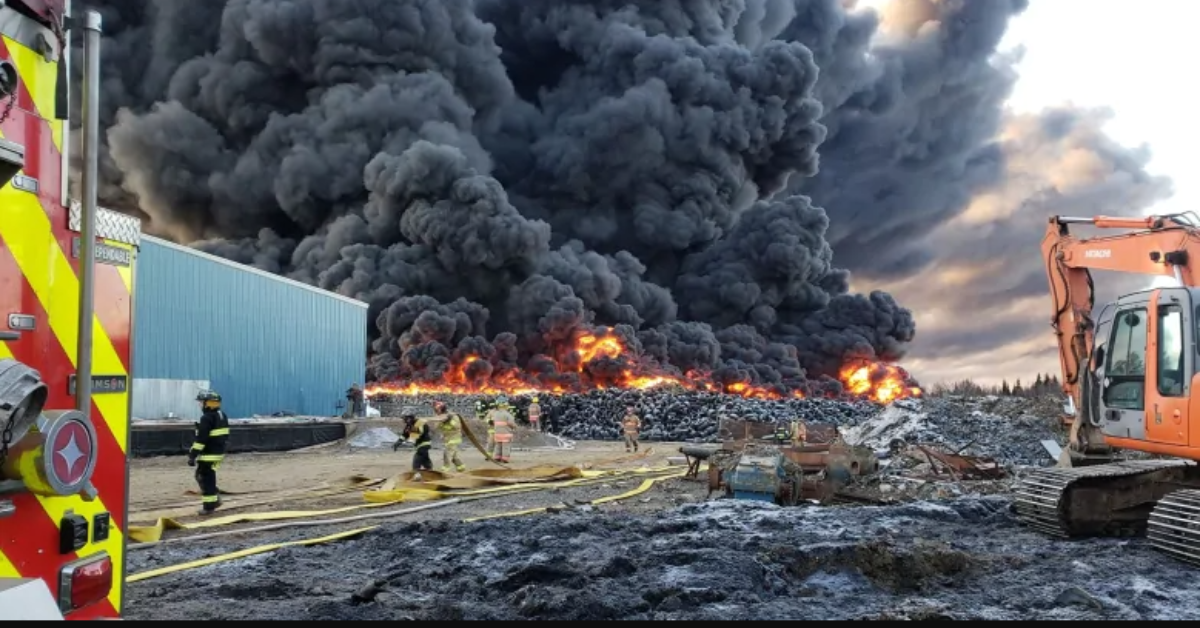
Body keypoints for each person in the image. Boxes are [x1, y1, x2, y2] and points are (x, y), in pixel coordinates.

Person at [188, 390, 230, 516]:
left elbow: (201, 440)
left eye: (201, 402)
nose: (200, 405)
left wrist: (192, 455)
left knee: (205, 478)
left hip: (209, 453)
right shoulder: (221, 415)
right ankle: (214, 497)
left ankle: (210, 506)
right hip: (218, 451)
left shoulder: (206, 418)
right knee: (203, 476)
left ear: (208, 403)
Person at [395, 407, 434, 481]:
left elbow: (421, 432)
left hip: (424, 443)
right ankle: (430, 470)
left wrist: (412, 430)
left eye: (405, 418)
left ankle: (416, 473)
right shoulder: (409, 425)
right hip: (418, 445)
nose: (404, 420)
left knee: (417, 457)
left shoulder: (420, 422)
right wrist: (398, 442)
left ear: (410, 417)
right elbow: (405, 434)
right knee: (425, 458)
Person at [433, 400, 467, 473]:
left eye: (437, 409)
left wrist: (449, 420)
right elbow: (435, 427)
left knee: (447, 454)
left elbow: (458, 426)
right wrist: (440, 421)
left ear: (442, 408)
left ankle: (444, 471)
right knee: (454, 457)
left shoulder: (452, 416)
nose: (436, 411)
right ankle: (461, 468)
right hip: (447, 439)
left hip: (454, 438)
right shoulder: (440, 417)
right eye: (436, 410)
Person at [485, 396, 516, 463]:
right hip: (493, 431)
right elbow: (486, 419)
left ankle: (498, 457)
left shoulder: (502, 412)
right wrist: (489, 421)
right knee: (491, 444)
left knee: (498, 445)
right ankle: (489, 456)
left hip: (498, 431)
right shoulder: (492, 412)